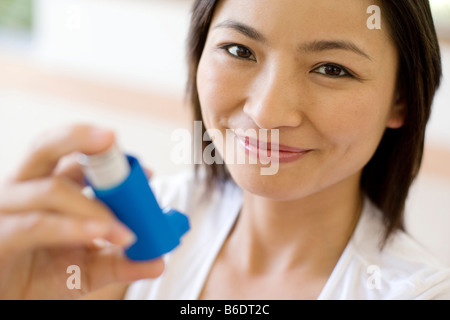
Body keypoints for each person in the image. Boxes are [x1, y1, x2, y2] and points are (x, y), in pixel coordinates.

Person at [0, 0, 449, 300]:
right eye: (239, 49)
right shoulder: (117, 240)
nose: (268, 112)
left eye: (332, 68)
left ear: (400, 99)